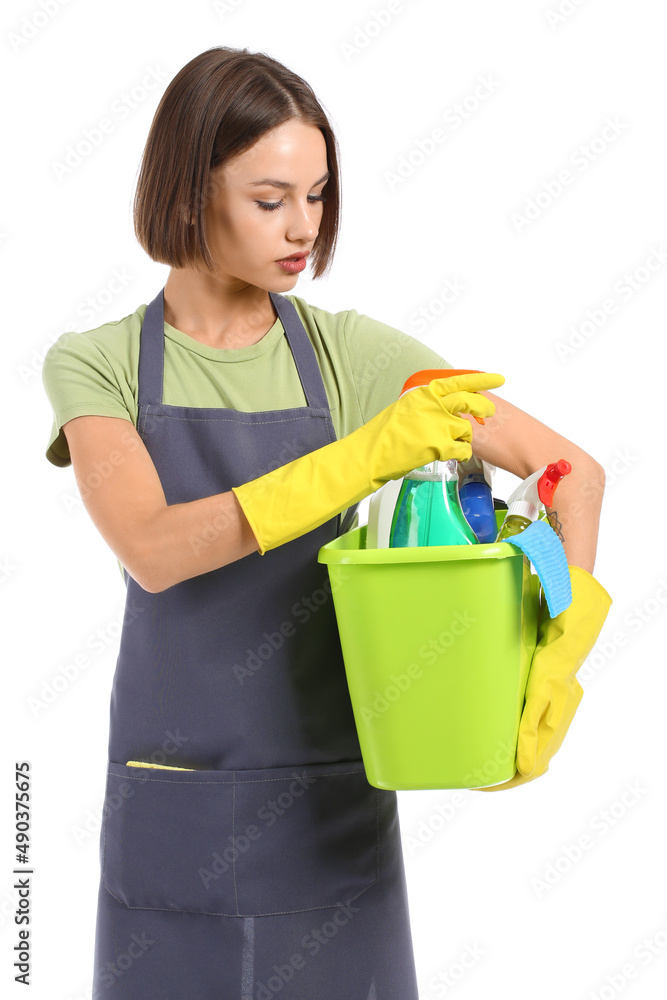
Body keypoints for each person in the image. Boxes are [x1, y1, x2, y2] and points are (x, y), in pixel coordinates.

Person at [42, 45, 611, 999]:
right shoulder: (95, 365)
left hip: (329, 802)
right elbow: (152, 549)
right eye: (270, 200)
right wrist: (363, 454)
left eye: (317, 195)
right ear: (189, 192)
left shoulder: (349, 353)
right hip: (175, 802)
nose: (303, 227)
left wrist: (543, 663)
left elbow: (572, 474)